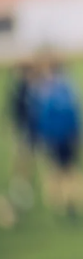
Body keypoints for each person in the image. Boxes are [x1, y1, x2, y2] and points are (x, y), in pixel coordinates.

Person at [34, 57, 83, 220]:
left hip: (56, 138)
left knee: (57, 172)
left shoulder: (45, 91)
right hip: (67, 137)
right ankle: (74, 203)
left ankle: (62, 205)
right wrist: (81, 134)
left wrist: (42, 138)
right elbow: (78, 114)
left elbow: (42, 119)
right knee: (70, 171)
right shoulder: (69, 89)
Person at [4, 61, 40, 219]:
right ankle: (20, 188)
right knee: (23, 160)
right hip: (25, 131)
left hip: (29, 131)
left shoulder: (26, 89)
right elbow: (15, 112)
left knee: (26, 160)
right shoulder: (21, 90)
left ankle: (22, 186)